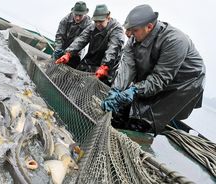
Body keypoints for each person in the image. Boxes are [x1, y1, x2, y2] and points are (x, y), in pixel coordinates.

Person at [101, 4, 206, 134]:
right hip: (155, 75)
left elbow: (159, 79)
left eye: (133, 30)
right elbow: (127, 68)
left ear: (149, 27)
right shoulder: (133, 39)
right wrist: (116, 90)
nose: (128, 34)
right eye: (127, 30)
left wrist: (135, 90)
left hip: (183, 83)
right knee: (122, 110)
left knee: (144, 118)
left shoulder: (175, 40)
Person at [55, 4, 125, 86]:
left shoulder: (117, 30)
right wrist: (68, 53)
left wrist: (105, 66)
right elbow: (81, 39)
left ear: (108, 17)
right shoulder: (92, 26)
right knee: (74, 81)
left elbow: (113, 49)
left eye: (101, 21)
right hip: (90, 61)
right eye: (96, 21)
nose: (98, 24)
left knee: (96, 89)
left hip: (107, 68)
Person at [53, 1, 92, 69]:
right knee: (53, 65)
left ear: (85, 14)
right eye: (76, 15)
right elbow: (59, 36)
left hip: (76, 52)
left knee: (70, 69)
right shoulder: (65, 20)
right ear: (73, 12)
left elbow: (81, 41)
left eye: (80, 15)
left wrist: (68, 53)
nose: (77, 18)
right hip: (62, 48)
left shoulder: (89, 25)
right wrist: (58, 49)